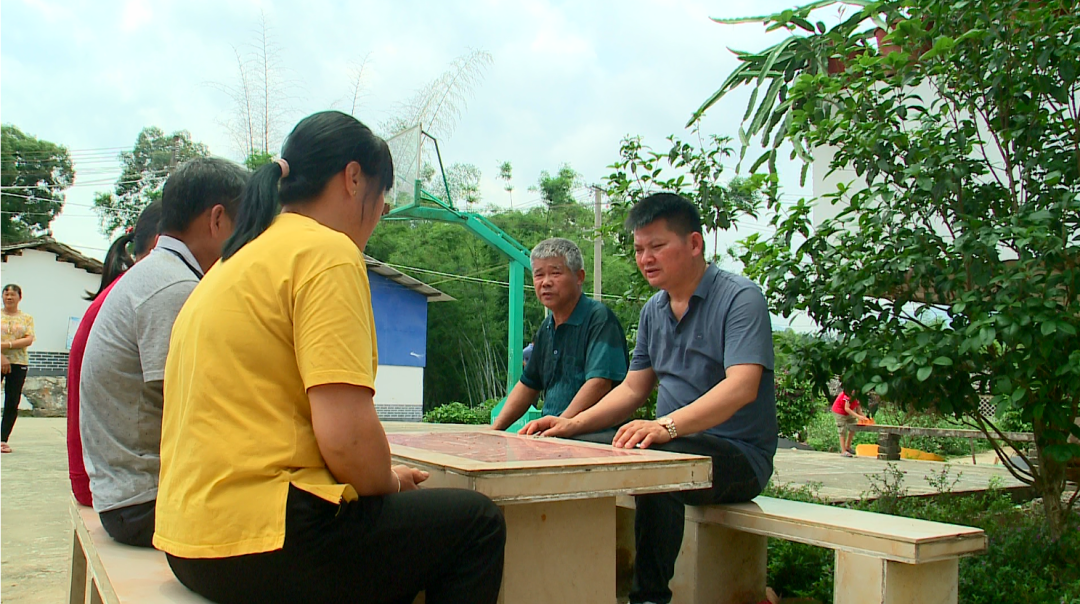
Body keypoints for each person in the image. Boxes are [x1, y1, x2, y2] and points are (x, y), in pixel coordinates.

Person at [154, 111, 505, 604]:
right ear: (353, 177)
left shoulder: (232, 262)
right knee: (475, 523)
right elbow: (346, 437)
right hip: (266, 542)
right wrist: (386, 483)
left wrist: (376, 483)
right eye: (381, 197)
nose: (381, 213)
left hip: (189, 541)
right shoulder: (327, 253)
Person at [521, 193, 777, 604]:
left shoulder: (739, 298)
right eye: (639, 249)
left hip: (738, 457)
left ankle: (649, 598)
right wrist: (571, 425)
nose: (645, 259)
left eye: (657, 246)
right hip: (672, 445)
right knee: (570, 447)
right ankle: (571, 584)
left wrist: (665, 426)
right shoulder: (654, 311)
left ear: (694, 244)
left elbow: (742, 386)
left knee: (658, 465)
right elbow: (632, 389)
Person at [80, 157, 247, 547]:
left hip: (130, 496)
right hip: (144, 503)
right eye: (246, 227)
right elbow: (195, 411)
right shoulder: (174, 289)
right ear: (218, 220)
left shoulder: (160, 273)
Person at [67, 201, 163, 507]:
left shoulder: (124, 290)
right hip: (110, 486)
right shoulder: (149, 294)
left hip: (95, 475)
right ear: (164, 242)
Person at [491, 237, 629, 430]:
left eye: (555, 273)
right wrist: (494, 429)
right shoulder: (547, 327)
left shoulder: (599, 318)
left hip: (594, 436)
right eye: (539, 275)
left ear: (579, 277)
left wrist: (561, 425)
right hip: (555, 434)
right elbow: (528, 385)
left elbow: (599, 383)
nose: (546, 282)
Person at [1, 284, 35, 454]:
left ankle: (3, 439)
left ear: (19, 298)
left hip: (19, 362)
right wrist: (2, 356)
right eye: (6, 294)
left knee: (12, 401)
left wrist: (7, 345)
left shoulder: (26, 318)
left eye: (12, 294)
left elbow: (29, 339)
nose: (9, 297)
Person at [832, 389, 868, 457]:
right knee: (842, 430)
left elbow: (858, 410)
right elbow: (847, 408)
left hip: (849, 412)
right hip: (840, 411)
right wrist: (858, 417)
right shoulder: (847, 394)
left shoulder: (858, 397)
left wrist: (865, 418)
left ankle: (848, 447)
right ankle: (843, 451)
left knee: (853, 427)